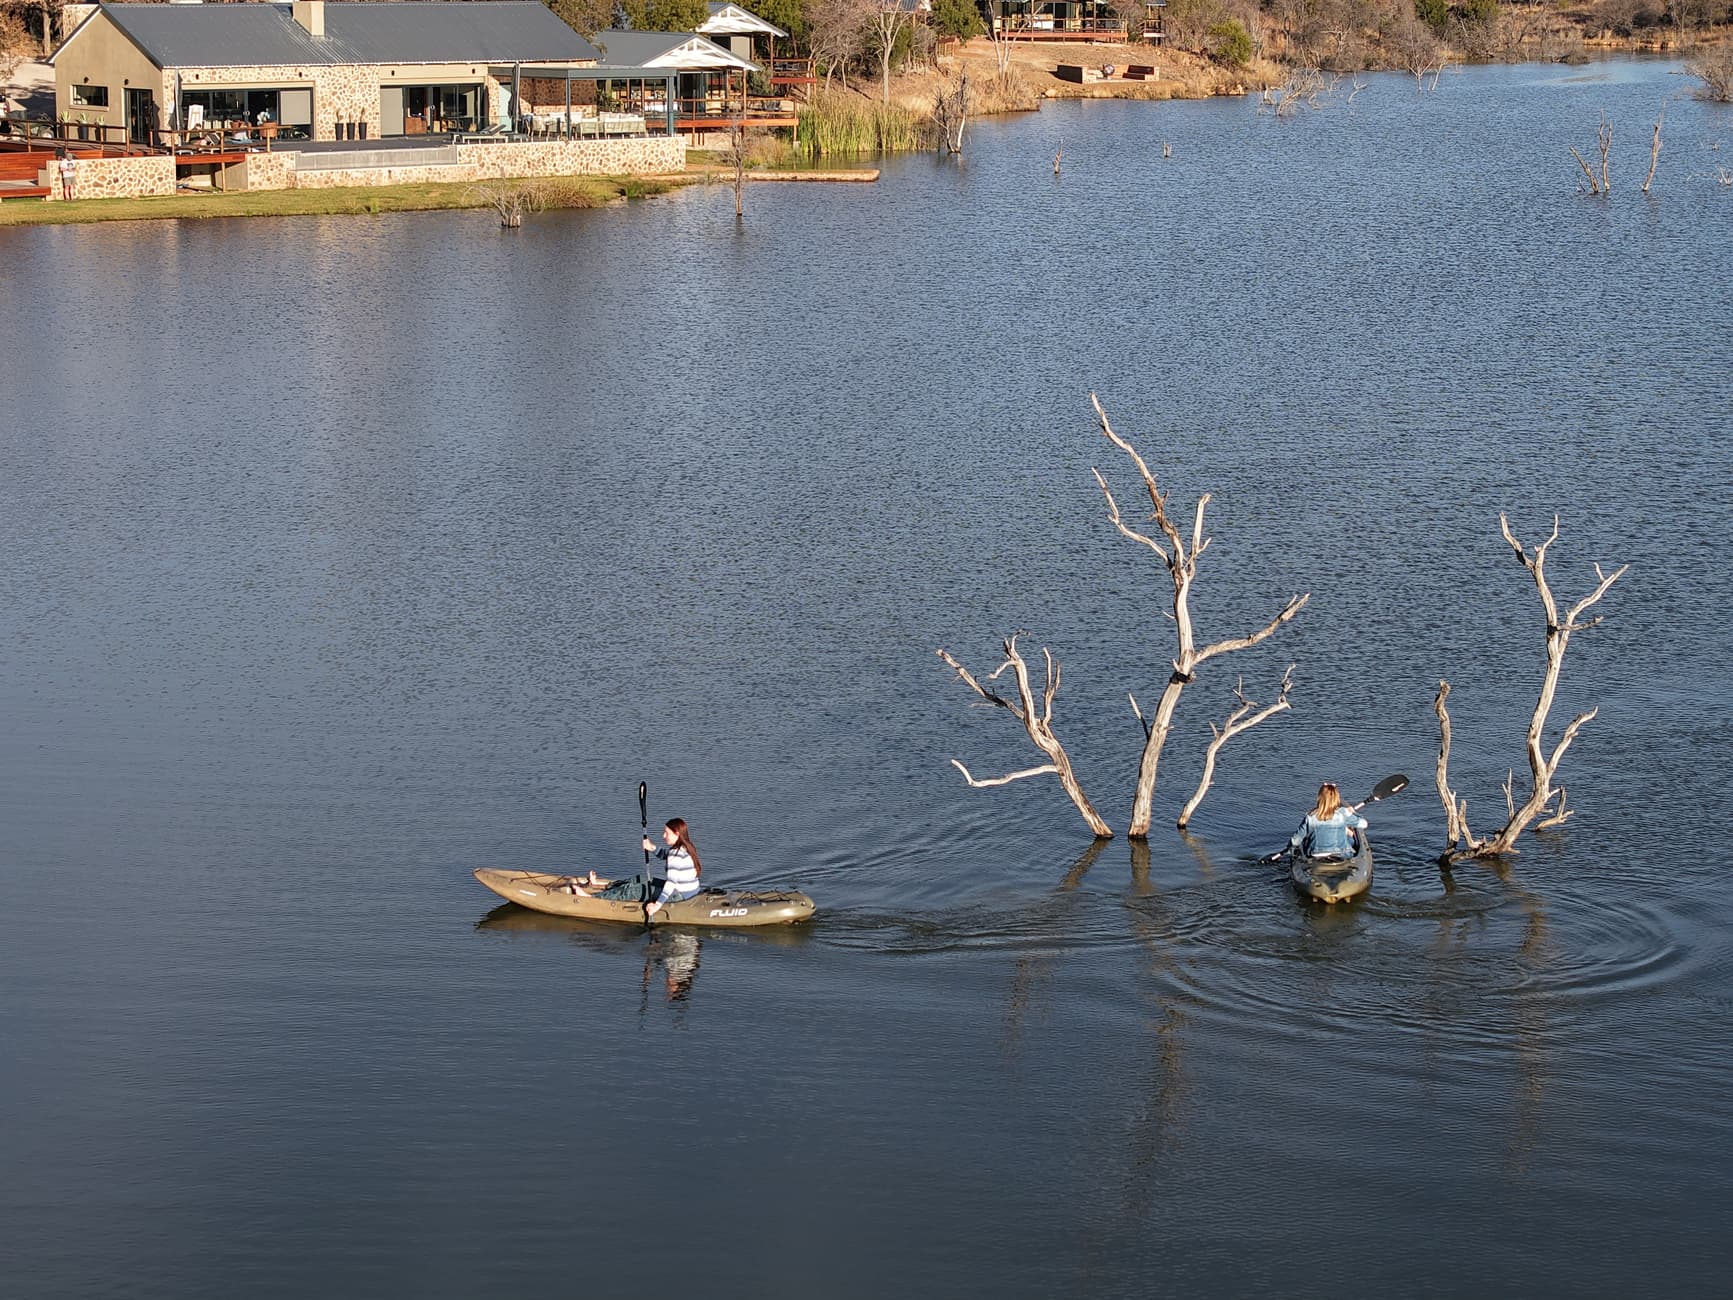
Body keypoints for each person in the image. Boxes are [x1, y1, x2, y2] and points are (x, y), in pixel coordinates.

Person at [567, 818, 703, 918]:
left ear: (677, 834)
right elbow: (666, 855)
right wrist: (652, 848)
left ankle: (591, 897)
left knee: (632, 890)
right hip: (688, 890)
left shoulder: (676, 855)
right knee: (640, 879)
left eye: (666, 833)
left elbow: (670, 883)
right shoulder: (685, 847)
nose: (663, 836)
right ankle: (601, 884)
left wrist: (657, 905)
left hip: (679, 893)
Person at [1289, 782, 1367, 859]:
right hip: (1341, 854)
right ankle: (1346, 831)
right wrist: (1353, 813)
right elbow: (1364, 824)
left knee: (1307, 839)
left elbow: (1295, 841)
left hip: (1315, 854)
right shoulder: (1343, 813)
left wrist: (1290, 849)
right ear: (1336, 798)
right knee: (1350, 837)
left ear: (1320, 798)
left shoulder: (1310, 817)